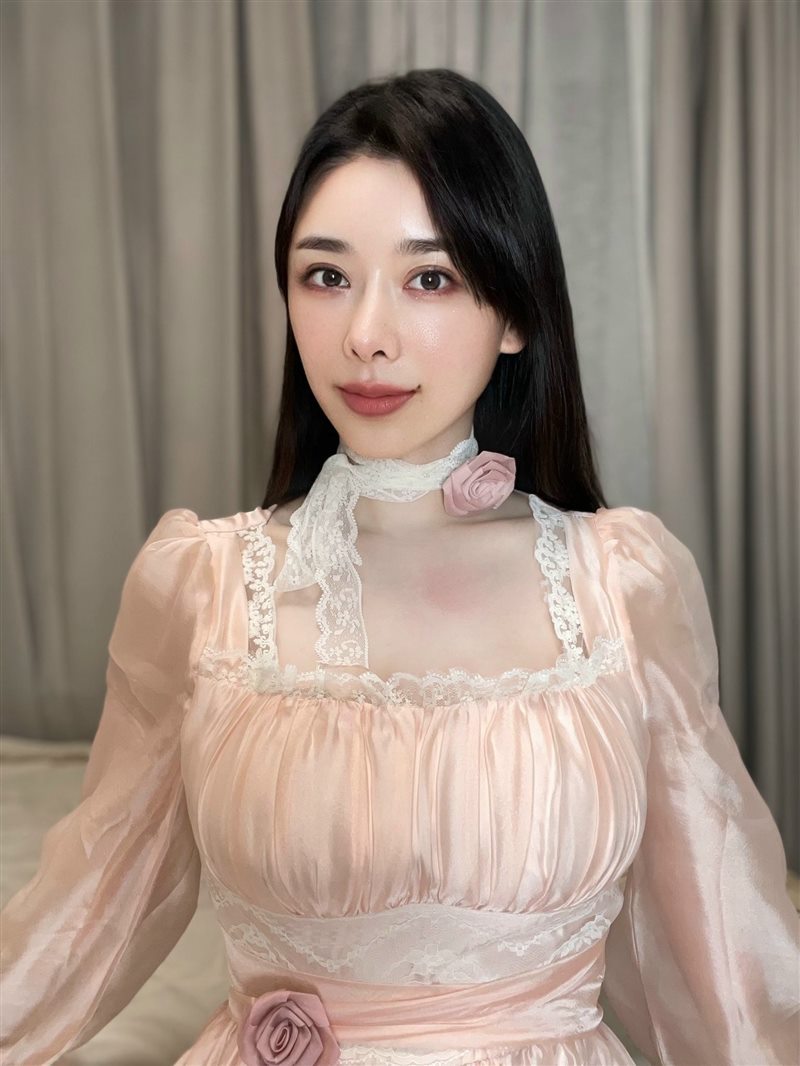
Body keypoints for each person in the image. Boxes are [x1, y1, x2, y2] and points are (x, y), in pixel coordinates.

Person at [1, 67, 798, 1066]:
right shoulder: (201, 586)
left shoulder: (623, 584)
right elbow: (85, 917)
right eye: (325, 276)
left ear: (515, 313)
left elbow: (727, 963)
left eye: (430, 279)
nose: (365, 337)